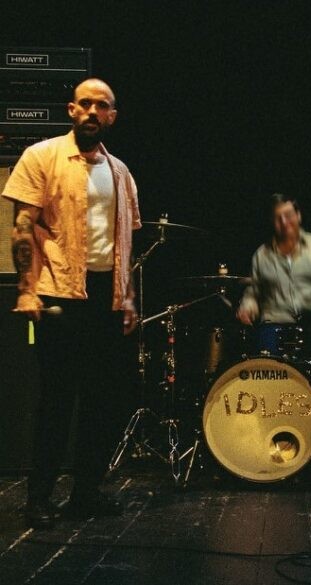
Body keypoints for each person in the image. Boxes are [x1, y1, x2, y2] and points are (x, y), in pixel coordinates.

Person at [2, 78, 141, 528]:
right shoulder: (42, 156)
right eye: (85, 104)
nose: (92, 112)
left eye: (102, 106)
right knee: (57, 400)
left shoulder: (120, 172)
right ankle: (39, 497)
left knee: (103, 401)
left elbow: (123, 243)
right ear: (71, 109)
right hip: (60, 291)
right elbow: (23, 227)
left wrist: (128, 298)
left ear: (112, 116)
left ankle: (85, 493)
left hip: (106, 297)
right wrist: (26, 288)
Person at [237, 193, 311, 352]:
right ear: (272, 222)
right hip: (274, 328)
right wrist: (247, 306)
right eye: (278, 218)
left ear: (298, 215)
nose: (284, 222)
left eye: (288, 215)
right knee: (262, 351)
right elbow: (253, 292)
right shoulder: (261, 255)